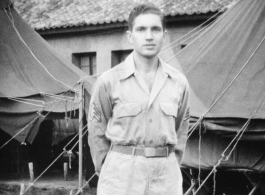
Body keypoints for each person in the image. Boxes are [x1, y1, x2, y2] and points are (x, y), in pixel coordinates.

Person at [88, 3, 190, 195]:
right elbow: (96, 133)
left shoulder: (179, 83)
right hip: (121, 177)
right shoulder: (109, 81)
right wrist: (110, 167)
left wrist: (168, 164)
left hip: (165, 177)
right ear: (130, 36)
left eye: (155, 29)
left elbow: (181, 132)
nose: (149, 36)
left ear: (164, 35)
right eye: (141, 29)